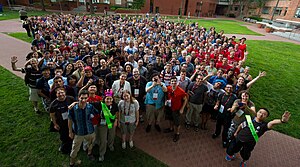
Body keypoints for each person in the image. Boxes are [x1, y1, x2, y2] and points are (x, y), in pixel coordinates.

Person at [225, 109, 291, 167]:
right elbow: (241, 126)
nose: (261, 114)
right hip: (239, 138)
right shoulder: (249, 119)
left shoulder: (264, 126)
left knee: (245, 153)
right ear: (257, 112)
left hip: (250, 143)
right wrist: (236, 132)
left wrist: (282, 120)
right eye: (260, 112)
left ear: (266, 117)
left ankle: (244, 161)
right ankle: (231, 155)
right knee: (233, 147)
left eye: (264, 114)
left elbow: (272, 122)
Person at [68, 90, 99, 166]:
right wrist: (70, 132)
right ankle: (72, 162)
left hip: (90, 131)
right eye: (82, 98)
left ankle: (89, 153)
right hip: (79, 132)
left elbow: (96, 112)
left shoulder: (90, 107)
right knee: (75, 149)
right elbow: (70, 120)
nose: (83, 100)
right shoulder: (72, 109)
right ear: (78, 98)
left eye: (85, 98)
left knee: (91, 144)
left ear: (88, 98)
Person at [90, 89, 118, 162]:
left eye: (110, 98)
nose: (108, 100)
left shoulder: (114, 105)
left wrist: (116, 121)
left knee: (112, 135)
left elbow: (116, 112)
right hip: (102, 124)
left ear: (112, 99)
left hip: (111, 123)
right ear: (104, 99)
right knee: (103, 139)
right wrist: (75, 102)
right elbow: (89, 104)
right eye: (107, 99)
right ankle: (102, 154)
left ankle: (110, 145)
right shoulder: (99, 104)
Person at [49, 88, 75, 154]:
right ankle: (65, 147)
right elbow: (52, 115)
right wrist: (55, 124)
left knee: (72, 132)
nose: (61, 94)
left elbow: (77, 103)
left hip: (72, 120)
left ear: (65, 92)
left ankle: (73, 144)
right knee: (64, 135)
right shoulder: (53, 104)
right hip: (61, 122)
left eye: (62, 92)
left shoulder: (70, 99)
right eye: (58, 93)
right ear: (56, 95)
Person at [164, 76, 188, 142]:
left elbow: (185, 100)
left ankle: (177, 133)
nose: (173, 82)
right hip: (169, 107)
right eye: (172, 81)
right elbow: (166, 95)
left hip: (177, 109)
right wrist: (166, 101)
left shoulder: (181, 91)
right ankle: (171, 128)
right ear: (170, 82)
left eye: (175, 81)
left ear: (177, 82)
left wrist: (182, 109)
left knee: (177, 123)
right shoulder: (168, 88)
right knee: (170, 119)